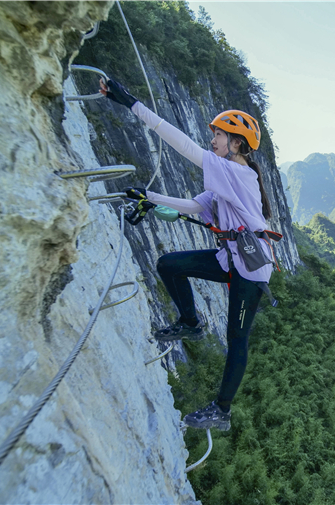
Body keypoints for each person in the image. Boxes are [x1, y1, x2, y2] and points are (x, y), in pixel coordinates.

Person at [99, 78, 275, 432]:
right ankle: (190, 322)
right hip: (231, 259)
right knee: (169, 265)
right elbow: (195, 205)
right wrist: (149, 196)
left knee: (237, 338)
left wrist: (131, 102)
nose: (213, 140)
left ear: (236, 143)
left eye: (219, 135)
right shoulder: (227, 180)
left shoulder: (238, 174)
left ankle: (221, 411)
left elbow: (185, 146)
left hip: (252, 270)